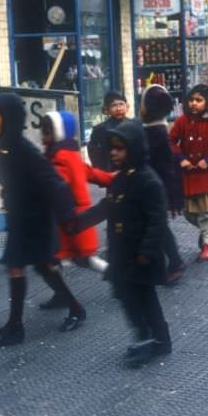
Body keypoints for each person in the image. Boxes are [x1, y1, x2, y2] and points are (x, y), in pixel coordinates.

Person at [0, 93, 85, 347]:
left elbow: (57, 185)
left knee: (24, 266)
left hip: (36, 219)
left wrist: (68, 219)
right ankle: (70, 308)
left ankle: (17, 327)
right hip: (20, 218)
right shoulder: (3, 145)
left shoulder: (24, 150)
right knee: (38, 266)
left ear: (9, 120)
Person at [72, 120, 172, 368]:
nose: (114, 153)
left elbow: (157, 221)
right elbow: (107, 206)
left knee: (146, 301)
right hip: (122, 256)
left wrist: (147, 253)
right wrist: (81, 221)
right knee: (127, 299)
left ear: (135, 148)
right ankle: (144, 338)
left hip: (140, 258)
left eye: (120, 148)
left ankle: (158, 341)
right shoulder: (121, 179)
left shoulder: (148, 182)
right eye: (112, 148)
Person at [38, 110, 114, 310]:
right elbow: (91, 173)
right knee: (58, 259)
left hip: (72, 219)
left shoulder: (60, 157)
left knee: (84, 260)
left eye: (47, 132)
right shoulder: (69, 154)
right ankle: (60, 294)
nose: (43, 137)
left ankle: (120, 278)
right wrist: (114, 178)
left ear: (58, 133)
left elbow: (55, 183)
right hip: (72, 218)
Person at [168, 84, 208, 262]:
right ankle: (205, 232)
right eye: (191, 100)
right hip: (189, 174)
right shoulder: (182, 121)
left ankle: (207, 245)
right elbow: (170, 140)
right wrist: (181, 158)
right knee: (189, 211)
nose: (194, 104)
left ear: (207, 102)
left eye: (199, 100)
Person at [139, 84, 186, 283]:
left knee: (157, 227)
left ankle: (174, 261)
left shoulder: (155, 133)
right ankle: (165, 262)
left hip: (154, 190)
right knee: (154, 227)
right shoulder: (154, 131)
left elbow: (167, 169)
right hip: (152, 188)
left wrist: (173, 198)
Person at [87, 91, 128, 171]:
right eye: (114, 105)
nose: (118, 109)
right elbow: (94, 153)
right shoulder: (100, 129)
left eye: (121, 104)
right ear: (107, 109)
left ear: (126, 106)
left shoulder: (133, 125)